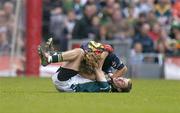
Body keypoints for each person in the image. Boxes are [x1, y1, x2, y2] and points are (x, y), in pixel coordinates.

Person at [38, 38, 132, 92]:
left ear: (119, 89)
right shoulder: (107, 78)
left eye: (122, 82)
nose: (120, 78)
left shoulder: (107, 88)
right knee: (80, 53)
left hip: (69, 85)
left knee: (80, 53)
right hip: (68, 79)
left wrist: (105, 53)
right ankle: (51, 56)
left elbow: (97, 69)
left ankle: (52, 57)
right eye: (123, 78)